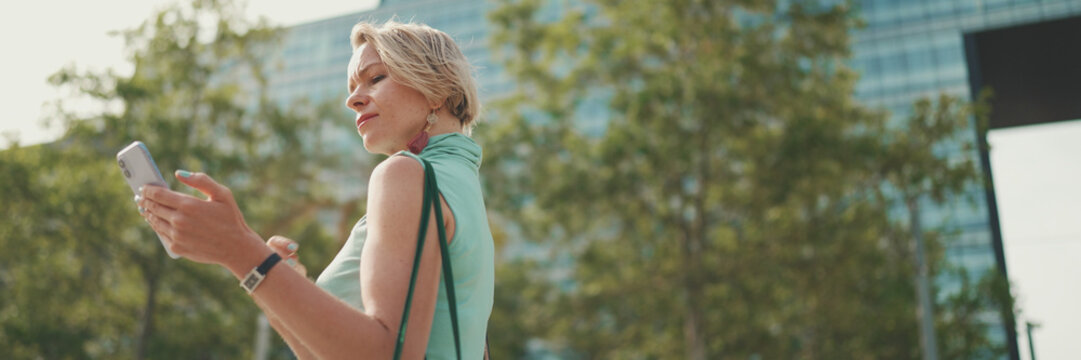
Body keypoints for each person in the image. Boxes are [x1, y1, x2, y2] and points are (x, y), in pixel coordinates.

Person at [137, 20, 494, 359]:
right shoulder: (462, 187)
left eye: (375, 78)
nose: (353, 99)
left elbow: (388, 353)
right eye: (352, 87)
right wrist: (270, 277)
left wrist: (239, 249)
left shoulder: (404, 174)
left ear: (437, 91)